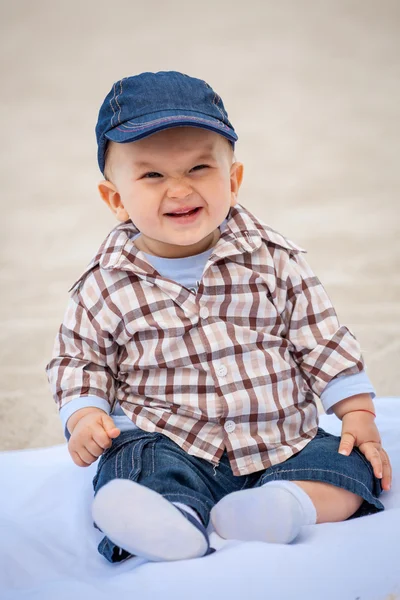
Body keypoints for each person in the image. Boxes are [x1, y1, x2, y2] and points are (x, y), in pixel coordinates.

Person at [46, 71, 392, 564]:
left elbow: (321, 337)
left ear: (233, 179)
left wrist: (356, 412)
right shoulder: (104, 285)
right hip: (174, 441)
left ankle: (282, 507)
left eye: (199, 168)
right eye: (153, 175)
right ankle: (173, 519)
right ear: (116, 199)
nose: (179, 189)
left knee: (348, 466)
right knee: (133, 465)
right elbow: (79, 359)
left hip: (281, 438)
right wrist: (84, 414)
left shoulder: (273, 257)